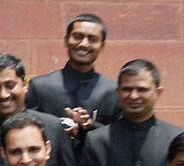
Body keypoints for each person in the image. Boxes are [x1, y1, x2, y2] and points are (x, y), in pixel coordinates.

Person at [26, 13, 120, 142]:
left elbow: (121, 136)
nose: (84, 44)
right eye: (78, 37)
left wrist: (90, 125)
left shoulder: (113, 92)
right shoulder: (40, 86)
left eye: (92, 39)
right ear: (66, 40)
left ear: (102, 46)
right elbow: (23, 130)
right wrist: (54, 127)